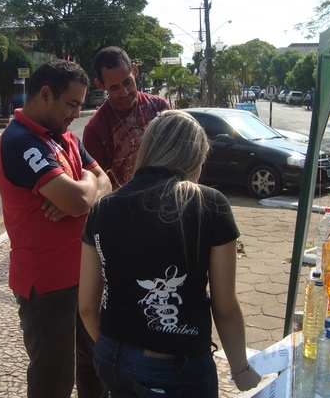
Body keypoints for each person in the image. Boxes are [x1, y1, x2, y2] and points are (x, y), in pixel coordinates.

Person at [79, 110, 261, 397]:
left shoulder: (102, 208)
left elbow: (87, 307)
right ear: (194, 156)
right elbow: (225, 308)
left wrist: (113, 348)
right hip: (177, 365)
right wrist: (240, 369)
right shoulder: (209, 204)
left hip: (112, 356)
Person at [0, 59, 111, 398]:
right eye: (72, 104)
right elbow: (79, 199)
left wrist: (83, 189)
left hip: (84, 273)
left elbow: (106, 183)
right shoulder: (20, 141)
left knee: (95, 364)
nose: (77, 113)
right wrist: (83, 192)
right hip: (46, 286)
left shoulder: (64, 136)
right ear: (45, 94)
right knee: (53, 380)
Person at [83, 46, 170, 189]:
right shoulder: (96, 129)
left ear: (135, 71)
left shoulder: (160, 107)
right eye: (114, 88)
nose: (124, 93)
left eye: (127, 82)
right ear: (100, 85)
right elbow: (94, 184)